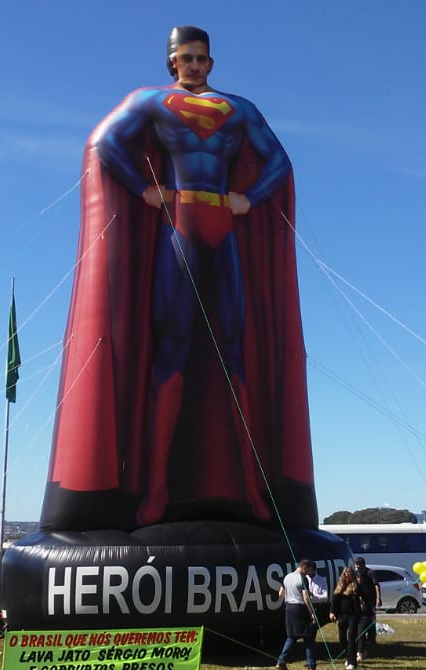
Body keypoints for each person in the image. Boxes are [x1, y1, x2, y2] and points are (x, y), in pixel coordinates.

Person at [40, 25, 316, 532]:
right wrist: (144, 189)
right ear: (172, 62)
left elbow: (279, 161)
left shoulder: (240, 109)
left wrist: (250, 199)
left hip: (221, 227)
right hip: (182, 224)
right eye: (185, 58)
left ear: (211, 62)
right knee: (172, 349)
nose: (194, 66)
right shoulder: (151, 101)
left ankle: (254, 489)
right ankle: (156, 488)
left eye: (202, 58)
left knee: (235, 350)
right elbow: (105, 144)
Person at [276, 559, 328, 670]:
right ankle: (311, 665)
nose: (308, 574)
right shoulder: (302, 578)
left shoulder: (287, 577)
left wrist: (292, 594)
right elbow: (305, 598)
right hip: (300, 609)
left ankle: (281, 660)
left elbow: (280, 594)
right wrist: (312, 613)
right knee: (308, 637)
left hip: (289, 607)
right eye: (308, 570)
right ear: (304, 567)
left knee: (292, 636)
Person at [330, 566, 362, 670]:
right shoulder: (339, 587)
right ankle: (349, 656)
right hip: (342, 615)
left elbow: (362, 599)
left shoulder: (355, 587)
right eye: (345, 575)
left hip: (353, 615)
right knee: (342, 640)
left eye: (349, 576)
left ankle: (352, 661)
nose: (347, 577)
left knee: (351, 637)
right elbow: (335, 601)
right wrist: (332, 612)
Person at [353, 557, 379, 659]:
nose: (357, 567)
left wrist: (378, 598)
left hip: (370, 601)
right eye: (356, 565)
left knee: (371, 621)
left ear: (363, 565)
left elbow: (376, 585)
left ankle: (371, 640)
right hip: (361, 603)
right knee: (362, 625)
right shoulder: (356, 574)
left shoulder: (370, 573)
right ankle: (361, 648)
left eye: (359, 565)